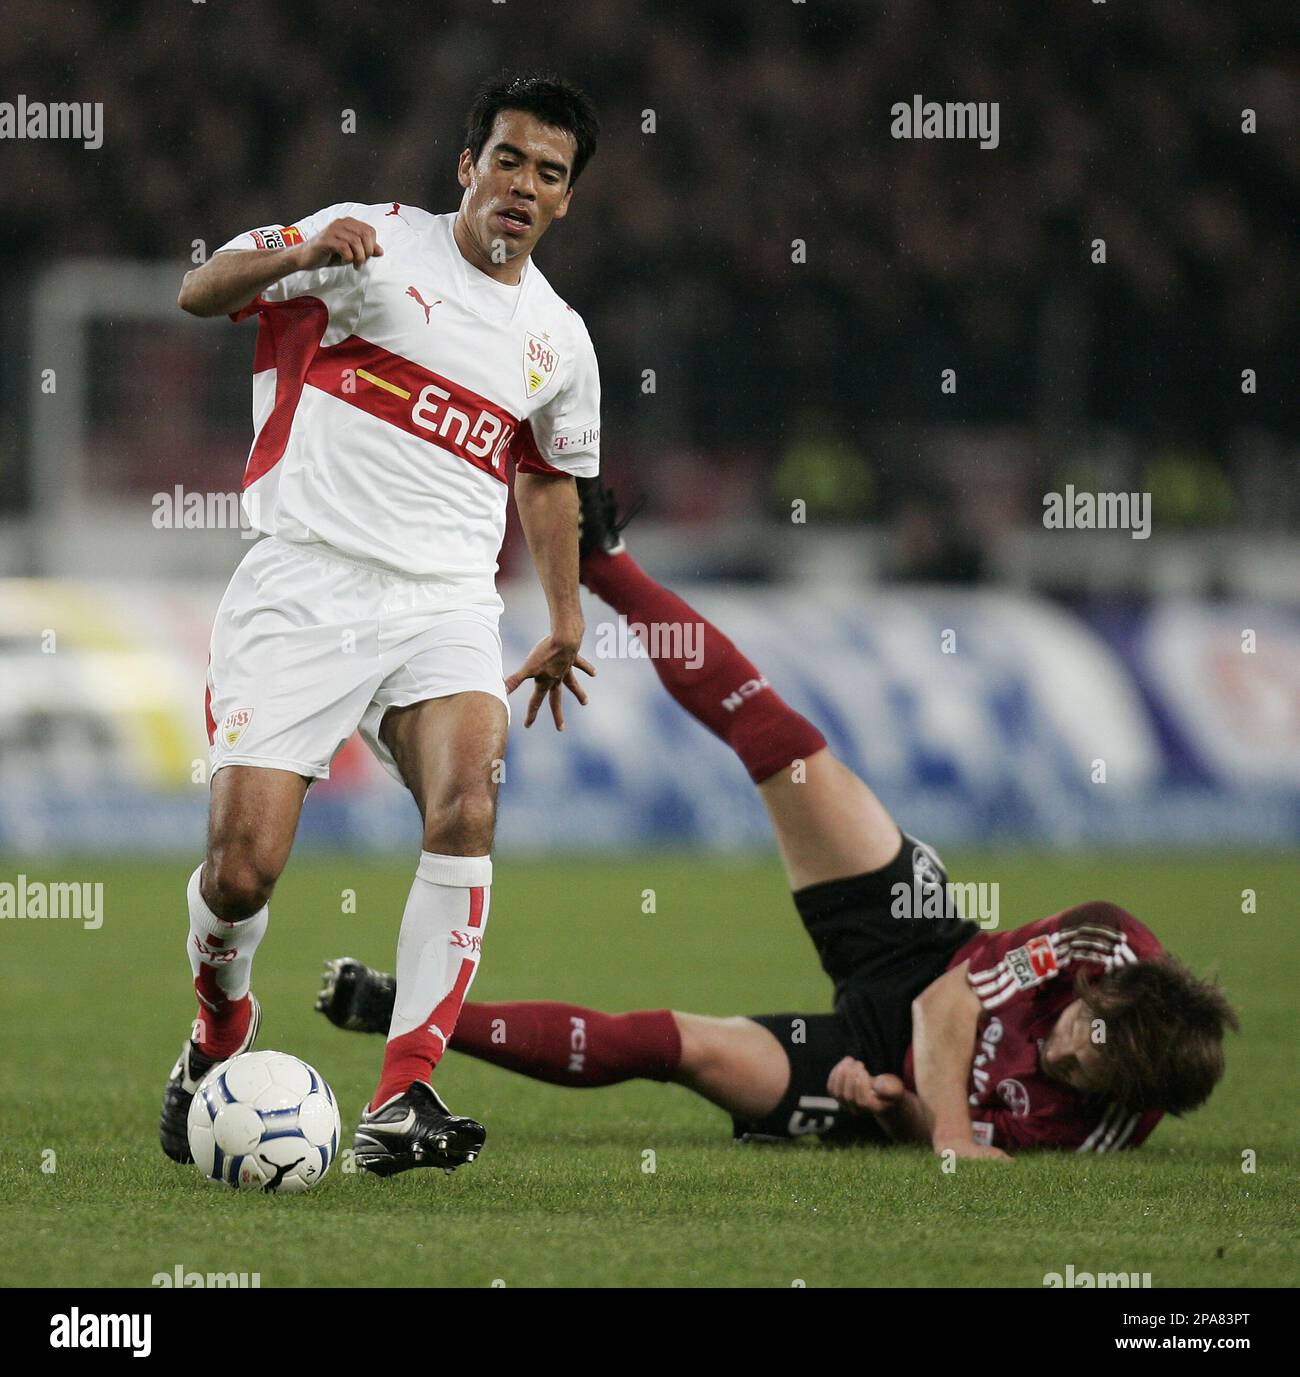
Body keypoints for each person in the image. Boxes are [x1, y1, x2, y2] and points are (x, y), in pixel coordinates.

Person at [316, 479, 1238, 1158]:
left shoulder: (1101, 1122)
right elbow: (948, 1002)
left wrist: (892, 1108)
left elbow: (932, 1128)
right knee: (785, 746)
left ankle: (409, 1016)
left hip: (874, 1057)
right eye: (1077, 1037)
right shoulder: (1106, 946)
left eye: (1077, 1072)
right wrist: (952, 1128)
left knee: (672, 1045)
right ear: (1109, 995)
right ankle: (608, 566)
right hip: (923, 943)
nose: (1062, 1056)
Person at [160, 72, 603, 1179]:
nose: (522, 185)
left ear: (564, 203)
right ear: (467, 166)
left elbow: (548, 480)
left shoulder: (559, 340)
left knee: (467, 804)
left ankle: (404, 1093)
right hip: (303, 583)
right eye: (507, 159)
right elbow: (199, 292)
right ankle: (218, 1026)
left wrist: (562, 612)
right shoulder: (370, 243)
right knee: (244, 871)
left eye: (548, 174)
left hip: (445, 601)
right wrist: (296, 258)